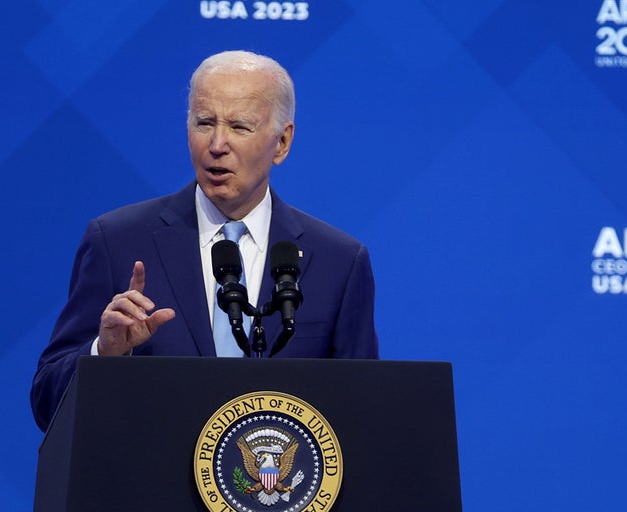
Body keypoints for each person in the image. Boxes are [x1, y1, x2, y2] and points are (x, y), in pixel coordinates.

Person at [30, 50, 378, 431]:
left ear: (282, 143)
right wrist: (105, 354)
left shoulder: (338, 262)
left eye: (240, 127)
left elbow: (362, 416)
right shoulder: (117, 241)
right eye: (204, 122)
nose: (217, 144)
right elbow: (47, 402)